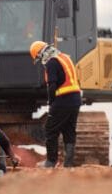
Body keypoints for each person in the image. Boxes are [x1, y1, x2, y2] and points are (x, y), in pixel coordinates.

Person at [30, 40, 82, 168]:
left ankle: (50, 162)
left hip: (63, 100)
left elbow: (52, 86)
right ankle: (68, 163)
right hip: (75, 99)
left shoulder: (51, 63)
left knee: (50, 129)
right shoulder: (65, 57)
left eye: (38, 57)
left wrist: (51, 103)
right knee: (69, 130)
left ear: (41, 54)